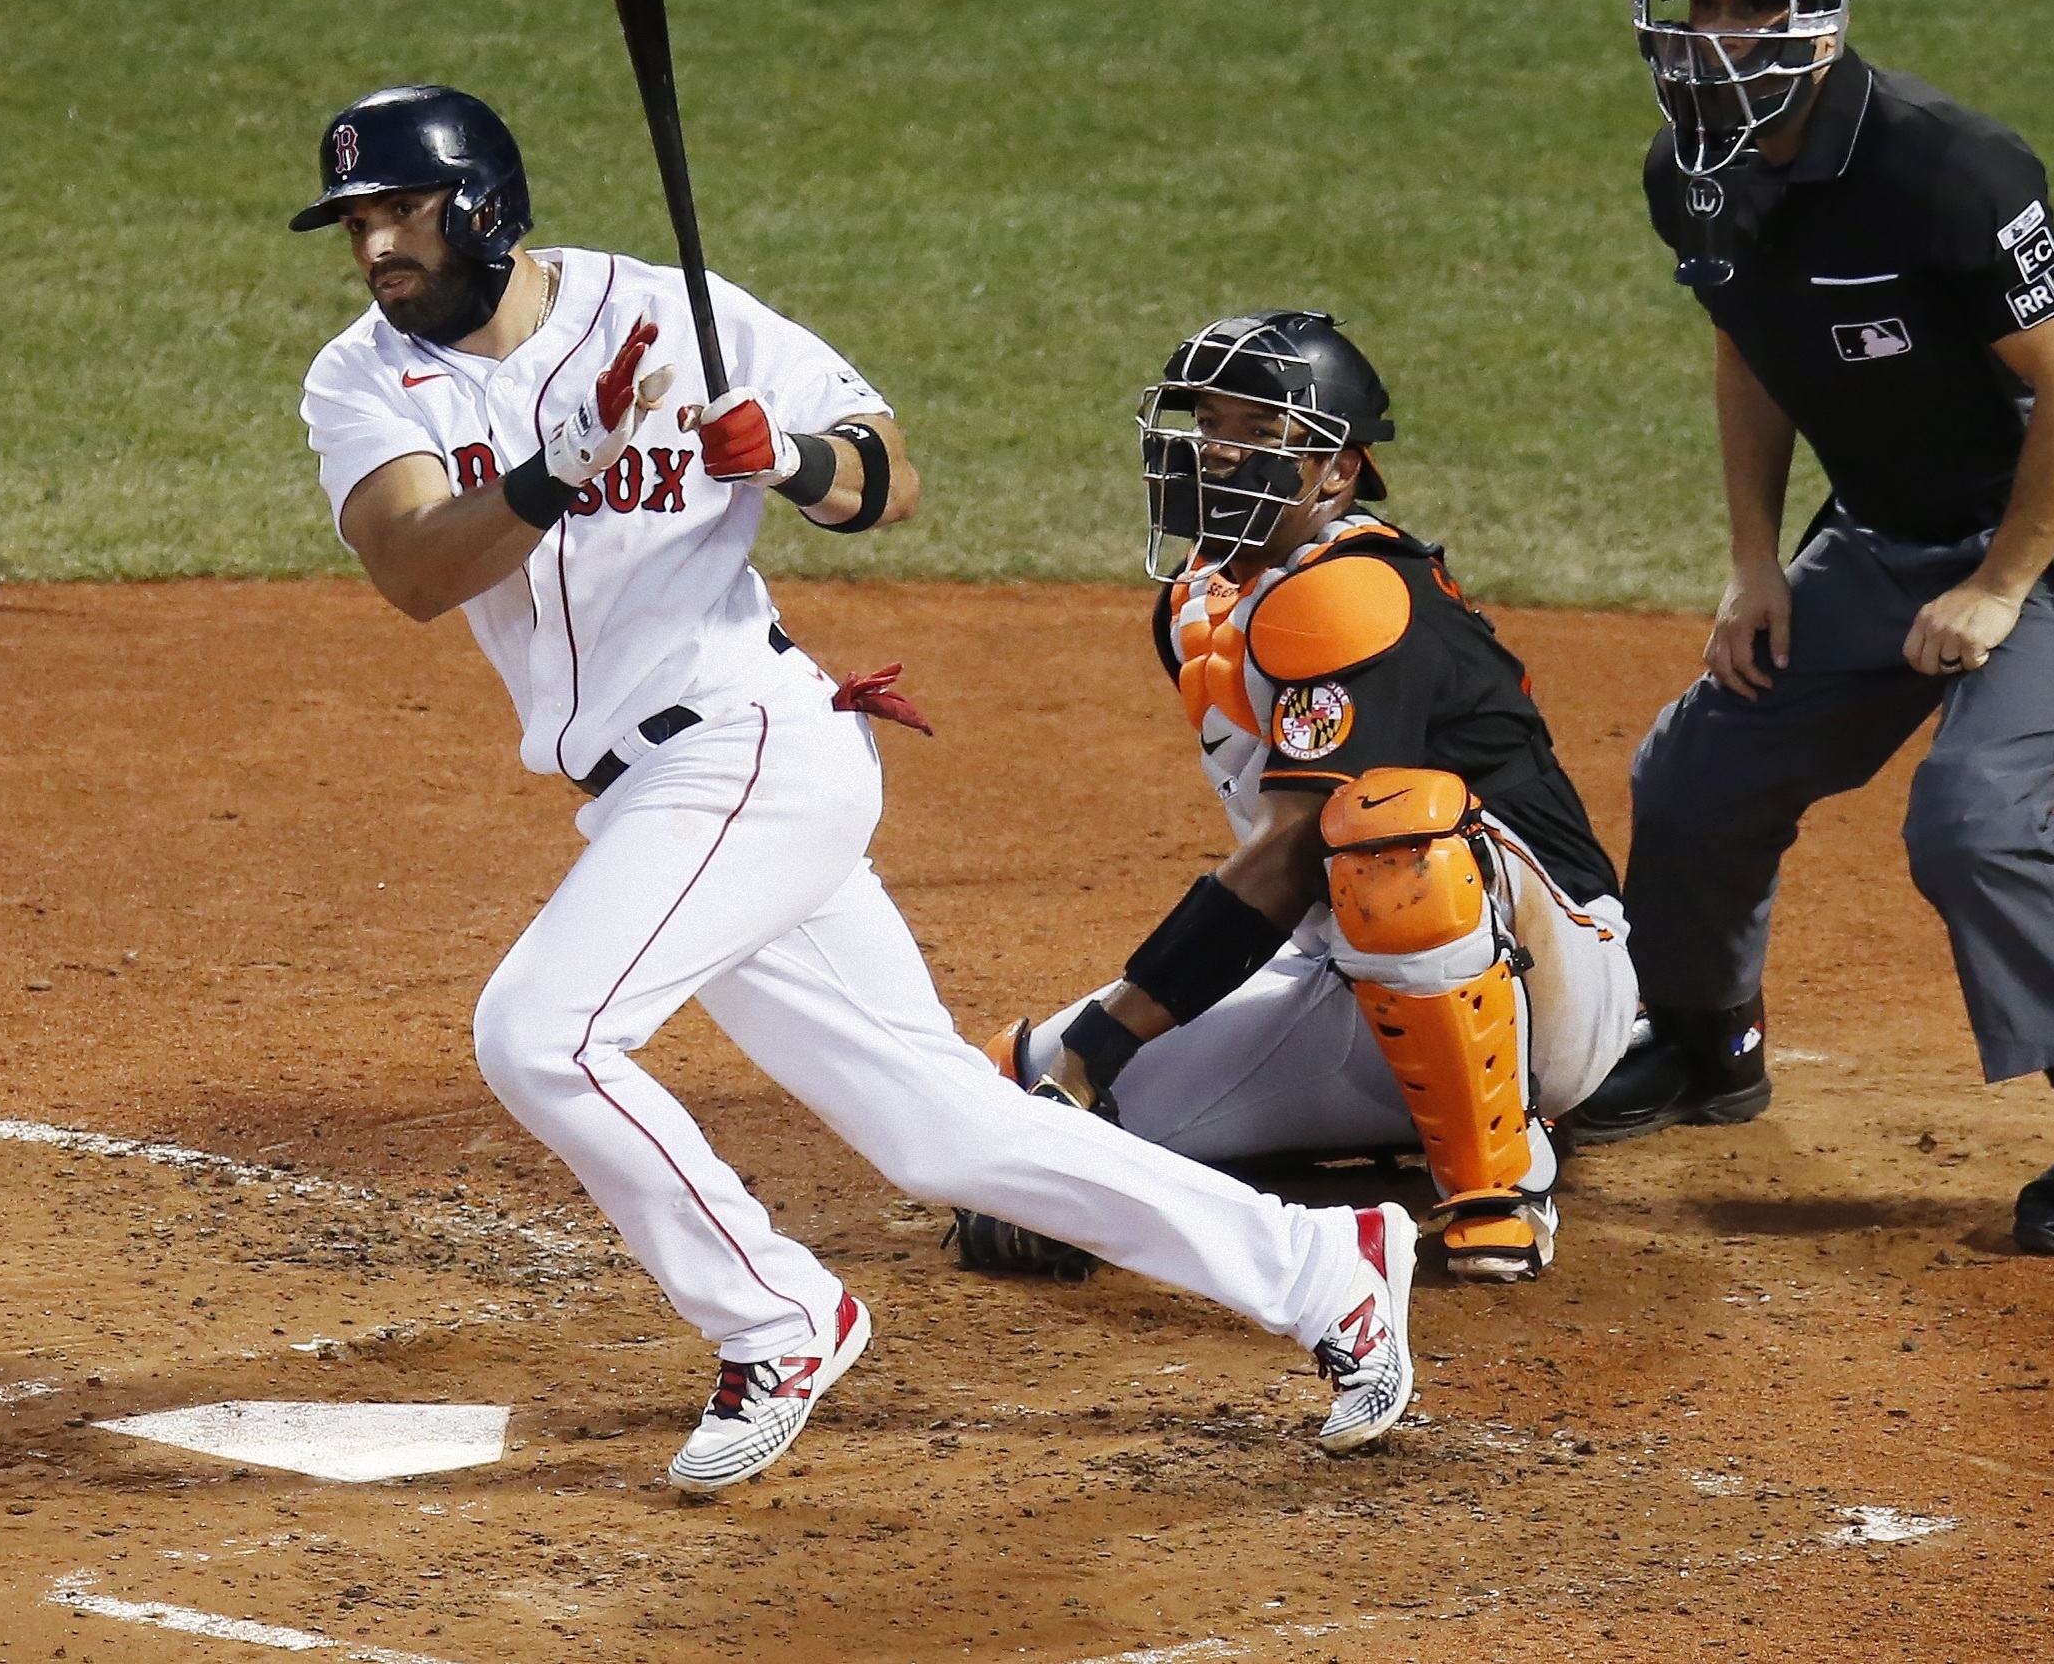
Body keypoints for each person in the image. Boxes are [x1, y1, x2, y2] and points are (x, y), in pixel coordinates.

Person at [290, 85, 1418, 1487]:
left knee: (540, 1032)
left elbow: (887, 474)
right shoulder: (361, 376)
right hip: (650, 788)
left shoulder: (676, 314)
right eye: (354, 221)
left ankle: (775, 1315)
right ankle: (1328, 1264)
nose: (374, 247)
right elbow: (413, 570)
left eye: (398, 212)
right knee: (939, 1125)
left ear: (482, 206)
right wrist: (557, 467)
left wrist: (791, 457)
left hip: (752, 743)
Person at [1560, 0, 2054, 1257]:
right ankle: (1700, 1040)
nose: (1714, 43)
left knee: (1972, 814)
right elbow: (1750, 346)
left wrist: (1995, 586)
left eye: (1751, 10)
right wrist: (1753, 558)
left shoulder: (1947, 168)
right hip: (1886, 527)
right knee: (1696, 767)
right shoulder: (1683, 170)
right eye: (1693, 12)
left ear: (1818, 25)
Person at [957, 313, 1635, 1285]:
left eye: (1257, 429)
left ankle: (1498, 1189)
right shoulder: (1203, 604)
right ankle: (1335, 1138)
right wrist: (1067, 1078)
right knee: (1011, 1108)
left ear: (1336, 472)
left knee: (1386, 836)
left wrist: (1100, 1044)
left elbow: (1287, 855)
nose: (1219, 450)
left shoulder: (1354, 591)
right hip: (1359, 988)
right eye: (1208, 423)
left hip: (1550, 978)